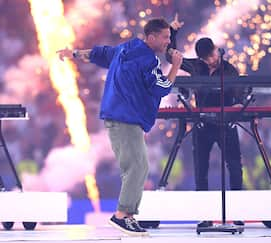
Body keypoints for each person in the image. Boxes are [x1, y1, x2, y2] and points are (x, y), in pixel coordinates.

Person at [57, 18, 183, 236]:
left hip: (118, 116)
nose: (168, 43)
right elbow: (161, 88)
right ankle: (122, 215)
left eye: (169, 38)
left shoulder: (126, 48)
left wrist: (74, 53)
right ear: (151, 38)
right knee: (137, 167)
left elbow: (99, 53)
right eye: (165, 38)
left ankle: (129, 215)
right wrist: (176, 67)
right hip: (127, 118)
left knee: (136, 166)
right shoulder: (149, 60)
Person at [168, 14, 244, 227]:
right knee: (200, 169)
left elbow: (240, 92)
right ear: (201, 58)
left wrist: (239, 103)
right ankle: (205, 216)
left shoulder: (229, 70)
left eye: (212, 55)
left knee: (235, 166)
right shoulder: (196, 67)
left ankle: (237, 213)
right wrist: (173, 32)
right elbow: (170, 56)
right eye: (207, 58)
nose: (211, 60)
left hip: (225, 123)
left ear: (215, 50)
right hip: (202, 124)